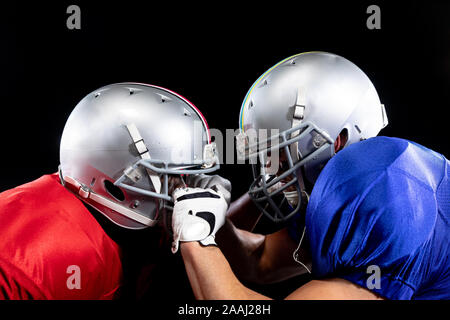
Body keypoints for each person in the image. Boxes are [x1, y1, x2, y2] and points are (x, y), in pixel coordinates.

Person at [170, 52, 450, 300]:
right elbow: (260, 262)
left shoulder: (386, 192)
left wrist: (194, 241)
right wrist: (206, 215)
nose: (271, 168)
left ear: (338, 140)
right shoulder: (345, 186)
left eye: (282, 149)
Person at [0, 82, 223, 299]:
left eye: (186, 174)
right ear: (119, 172)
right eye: (171, 175)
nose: (182, 187)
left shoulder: (134, 225)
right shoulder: (25, 263)